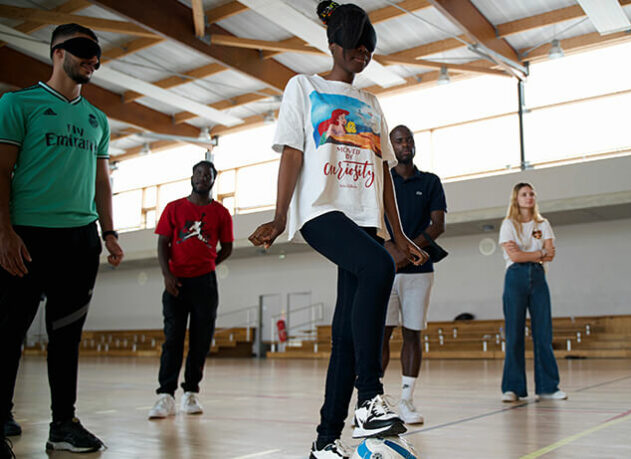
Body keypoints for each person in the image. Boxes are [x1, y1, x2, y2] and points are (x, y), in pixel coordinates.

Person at [248, 2, 427, 458]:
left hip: (364, 217)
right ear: (333, 45)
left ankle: (325, 441)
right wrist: (280, 215)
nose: (361, 54)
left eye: (368, 49)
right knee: (378, 267)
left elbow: (384, 172)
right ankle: (369, 399)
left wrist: (399, 235)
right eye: (353, 46)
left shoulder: (372, 103)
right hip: (321, 210)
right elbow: (292, 152)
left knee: (346, 335)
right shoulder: (303, 87)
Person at [0, 23, 124, 455]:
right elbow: (1, 170)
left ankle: (63, 424)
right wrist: (4, 231)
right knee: (8, 332)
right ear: (57, 52)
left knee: (66, 337)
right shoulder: (18, 104)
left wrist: (109, 232)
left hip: (79, 241)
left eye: (97, 54)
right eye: (84, 50)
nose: (93, 59)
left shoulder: (97, 119)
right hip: (27, 236)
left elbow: (102, 181)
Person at [148, 160, 233, 419]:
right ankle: (165, 395)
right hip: (176, 282)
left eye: (207, 175)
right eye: (198, 173)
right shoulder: (174, 208)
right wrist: (167, 274)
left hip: (205, 283)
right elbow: (162, 243)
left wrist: (209, 265)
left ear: (213, 180)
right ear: (192, 177)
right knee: (173, 338)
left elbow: (227, 247)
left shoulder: (221, 213)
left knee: (201, 340)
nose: (202, 178)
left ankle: (191, 392)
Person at [381, 125, 446, 425]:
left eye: (409, 140)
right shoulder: (383, 180)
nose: (405, 145)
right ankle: (374, 400)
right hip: (386, 268)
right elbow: (375, 221)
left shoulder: (430, 181)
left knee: (412, 333)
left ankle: (406, 400)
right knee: (381, 334)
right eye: (399, 141)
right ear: (391, 146)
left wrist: (407, 251)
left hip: (420, 270)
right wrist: (392, 252)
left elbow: (437, 225)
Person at [498, 183, 566, 403]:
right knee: (514, 334)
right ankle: (512, 388)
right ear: (516, 199)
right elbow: (515, 257)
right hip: (515, 277)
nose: (529, 197)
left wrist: (533, 254)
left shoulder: (543, 224)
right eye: (524, 194)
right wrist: (539, 253)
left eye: (532, 194)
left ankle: (548, 387)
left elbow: (551, 254)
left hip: (538, 277)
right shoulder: (508, 224)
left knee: (543, 333)